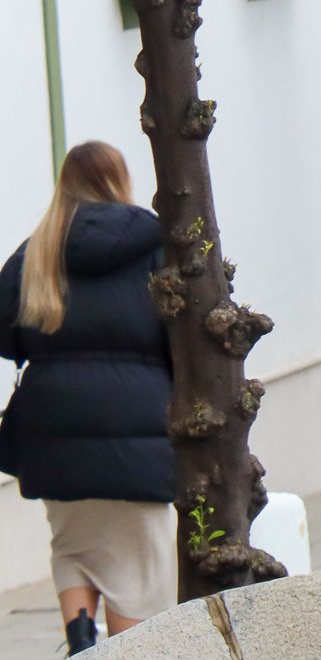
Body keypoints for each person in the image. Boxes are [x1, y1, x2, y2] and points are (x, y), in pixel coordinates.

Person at [0, 143, 173, 653]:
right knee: (140, 567)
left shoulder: (39, 248)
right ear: (120, 180)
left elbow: (5, 329)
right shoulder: (157, 243)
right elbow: (183, 333)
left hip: (53, 430)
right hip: (137, 427)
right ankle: (121, 651)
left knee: (74, 545)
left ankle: (81, 637)